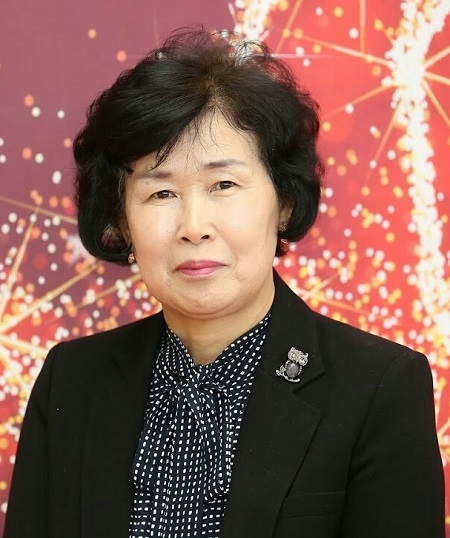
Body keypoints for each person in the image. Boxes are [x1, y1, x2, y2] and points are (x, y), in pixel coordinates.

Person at [4, 27, 444, 538]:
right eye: (161, 193)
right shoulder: (72, 380)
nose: (194, 226)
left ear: (283, 202)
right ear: (121, 221)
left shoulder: (379, 388)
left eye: (224, 184)